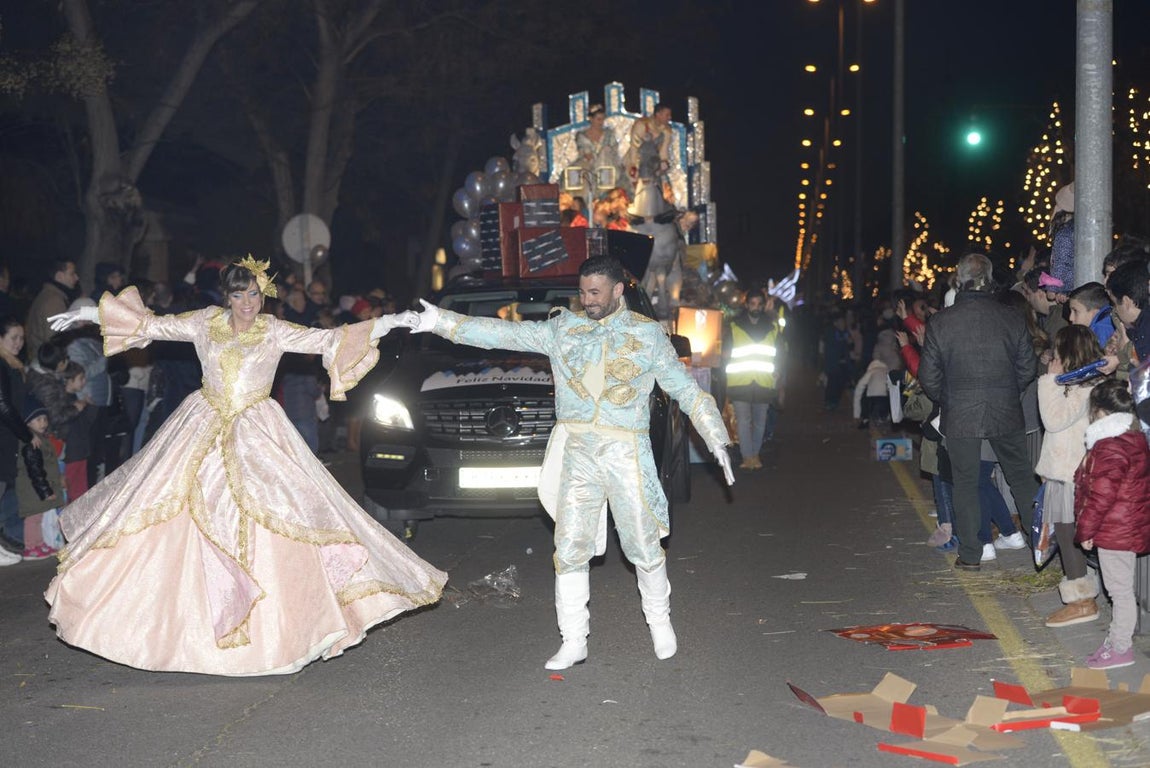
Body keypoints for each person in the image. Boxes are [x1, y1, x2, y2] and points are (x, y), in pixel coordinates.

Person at [43, 257, 446, 676]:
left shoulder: (273, 330)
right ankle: (181, 629)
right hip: (201, 425)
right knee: (169, 517)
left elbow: (330, 338)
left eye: (254, 294)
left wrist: (392, 320)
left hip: (258, 430)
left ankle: (280, 633)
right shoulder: (204, 322)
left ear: (263, 295)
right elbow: (152, 325)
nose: (247, 303)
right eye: (239, 294)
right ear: (227, 296)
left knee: (285, 518)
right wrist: (91, 313)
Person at [408, 256, 734, 669]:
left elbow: (685, 391)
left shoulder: (648, 336)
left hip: (625, 453)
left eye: (596, 292)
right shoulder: (564, 329)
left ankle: (659, 622)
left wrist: (716, 437)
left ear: (618, 291)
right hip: (578, 452)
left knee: (643, 543)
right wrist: (441, 322)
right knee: (570, 547)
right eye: (583, 292)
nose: (588, 300)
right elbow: (504, 333)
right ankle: (574, 640)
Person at [918, 253, 1040, 571]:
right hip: (1005, 408)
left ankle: (971, 554)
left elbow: (928, 377)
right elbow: (1028, 366)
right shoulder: (1011, 317)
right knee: (1021, 477)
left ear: (960, 279)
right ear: (989, 278)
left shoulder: (941, 321)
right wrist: (1009, 392)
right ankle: (1041, 544)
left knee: (966, 481)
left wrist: (948, 399)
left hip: (960, 412)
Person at [1074, 378, 1150, 669]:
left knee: (1119, 591)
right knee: (1119, 589)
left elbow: (1100, 495)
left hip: (1116, 528)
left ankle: (1121, 648)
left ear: (1100, 412)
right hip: (1125, 524)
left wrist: (1086, 530)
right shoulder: (1133, 437)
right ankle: (1116, 641)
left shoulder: (1110, 445)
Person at [1036, 325, 1107, 627]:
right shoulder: (1086, 385)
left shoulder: (1084, 389)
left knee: (1069, 536)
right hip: (1069, 472)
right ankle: (1083, 592)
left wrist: (1049, 380)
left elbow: (1052, 421)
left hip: (1070, 475)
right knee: (1071, 535)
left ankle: (1081, 601)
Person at [723, 289, 782, 469]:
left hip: (763, 382)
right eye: (753, 303)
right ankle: (747, 457)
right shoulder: (734, 327)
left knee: (759, 422)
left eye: (759, 304)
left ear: (763, 306)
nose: (756, 307)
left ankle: (754, 455)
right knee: (743, 421)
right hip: (740, 381)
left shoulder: (773, 329)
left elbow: (780, 355)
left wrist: (779, 373)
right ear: (747, 305)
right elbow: (725, 353)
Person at [0, 317, 33, 563]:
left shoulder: (13, 364)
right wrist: (26, 434)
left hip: (8, 435)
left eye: (22, 338)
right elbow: (3, 405)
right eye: (14, 338)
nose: (19, 343)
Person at [15, 395, 63, 559]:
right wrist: (45, 491)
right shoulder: (31, 442)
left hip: (37, 488)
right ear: (27, 422)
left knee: (39, 516)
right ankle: (30, 547)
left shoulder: (40, 438)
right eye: (38, 419)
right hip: (32, 489)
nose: (43, 422)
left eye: (44, 418)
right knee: (33, 518)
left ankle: (39, 544)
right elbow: (35, 469)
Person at [25, 258, 80, 364]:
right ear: (59, 276)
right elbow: (56, 338)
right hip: (47, 363)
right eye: (72, 274)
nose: (77, 277)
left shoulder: (51, 295)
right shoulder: (53, 301)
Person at [574, 104, 625, 199]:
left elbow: (614, 151)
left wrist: (606, 152)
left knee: (605, 154)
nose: (601, 122)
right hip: (589, 165)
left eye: (602, 119)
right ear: (591, 119)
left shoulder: (609, 134)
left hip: (609, 165)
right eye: (598, 119)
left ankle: (606, 191)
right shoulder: (582, 136)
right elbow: (585, 153)